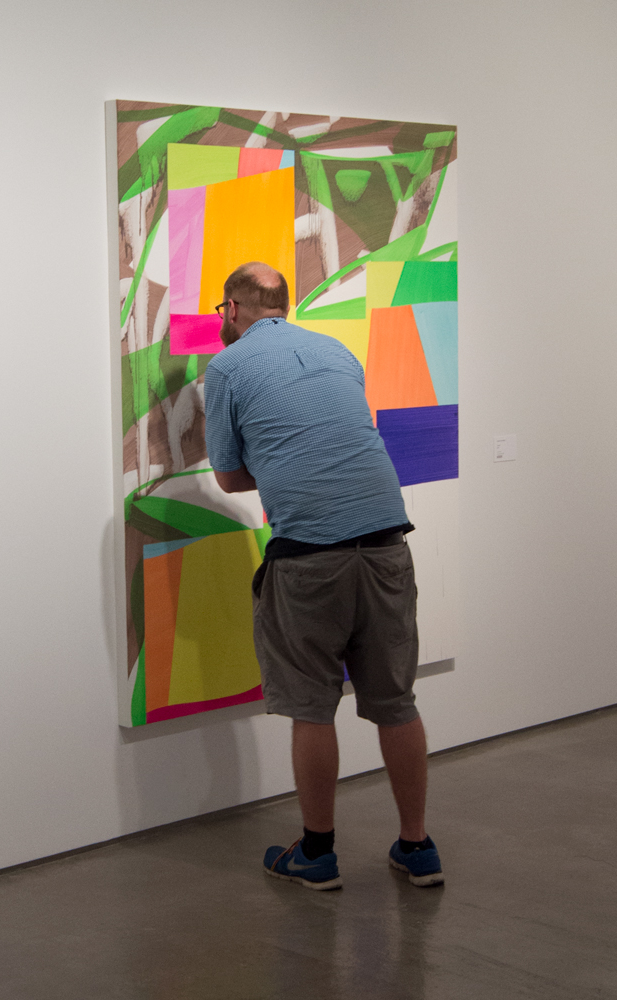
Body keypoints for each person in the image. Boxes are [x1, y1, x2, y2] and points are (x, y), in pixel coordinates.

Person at [204, 261, 444, 890]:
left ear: (233, 309)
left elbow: (228, 477)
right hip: (388, 546)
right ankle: (417, 848)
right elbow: (345, 439)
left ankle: (317, 854)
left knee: (312, 708)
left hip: (310, 556)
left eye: (222, 311)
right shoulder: (338, 352)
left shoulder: (227, 368)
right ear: (283, 304)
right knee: (396, 702)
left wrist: (277, 461)